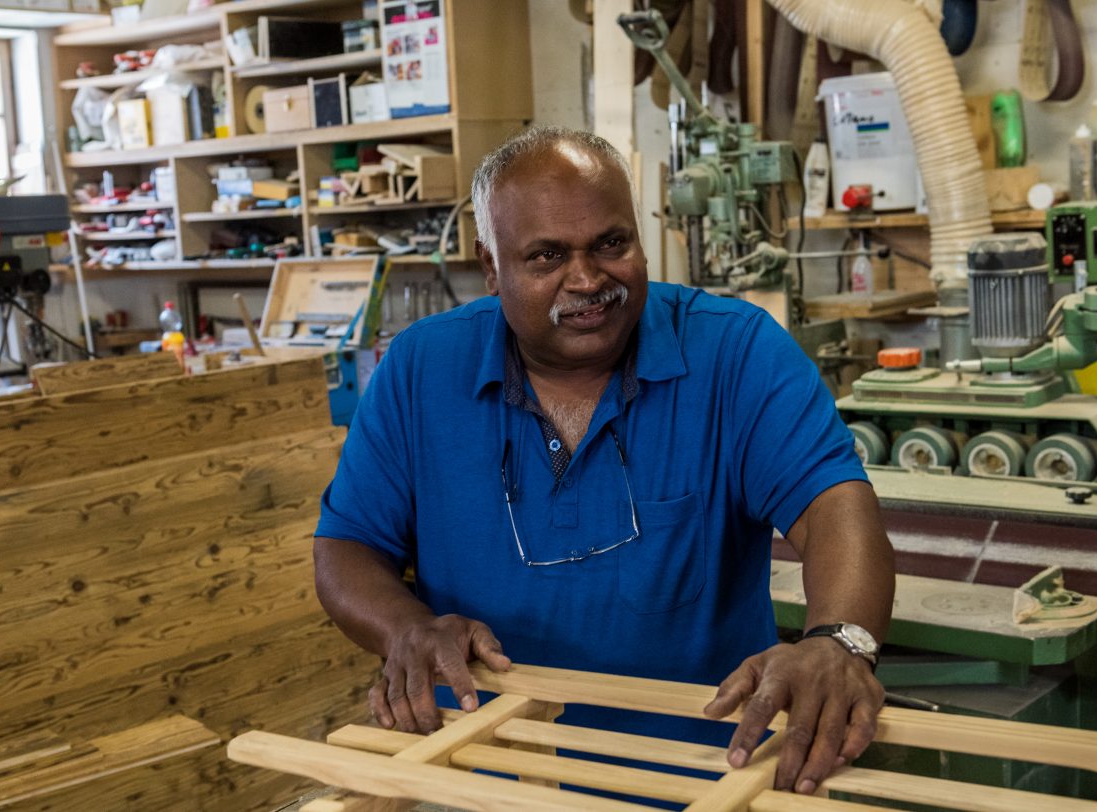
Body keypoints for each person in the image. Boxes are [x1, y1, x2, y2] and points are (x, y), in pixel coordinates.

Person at [314, 126, 895, 797]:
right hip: (488, 773)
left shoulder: (735, 353)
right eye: (546, 256)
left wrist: (838, 642)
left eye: (611, 244)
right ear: (491, 266)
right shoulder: (420, 368)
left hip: (710, 776)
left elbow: (835, 508)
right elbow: (347, 547)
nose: (588, 280)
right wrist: (406, 628)